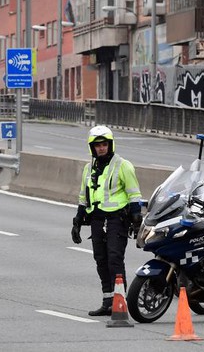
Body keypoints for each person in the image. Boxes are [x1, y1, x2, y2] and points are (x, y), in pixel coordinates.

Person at [71, 125, 142, 317]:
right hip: (96, 218)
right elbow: (83, 196)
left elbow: (134, 194)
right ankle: (107, 301)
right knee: (100, 260)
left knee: (114, 259)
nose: (101, 148)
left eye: (104, 144)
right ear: (91, 148)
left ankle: (121, 301)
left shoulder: (123, 165)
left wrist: (136, 220)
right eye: (97, 145)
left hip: (117, 218)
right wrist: (77, 220)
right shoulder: (88, 168)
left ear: (110, 145)